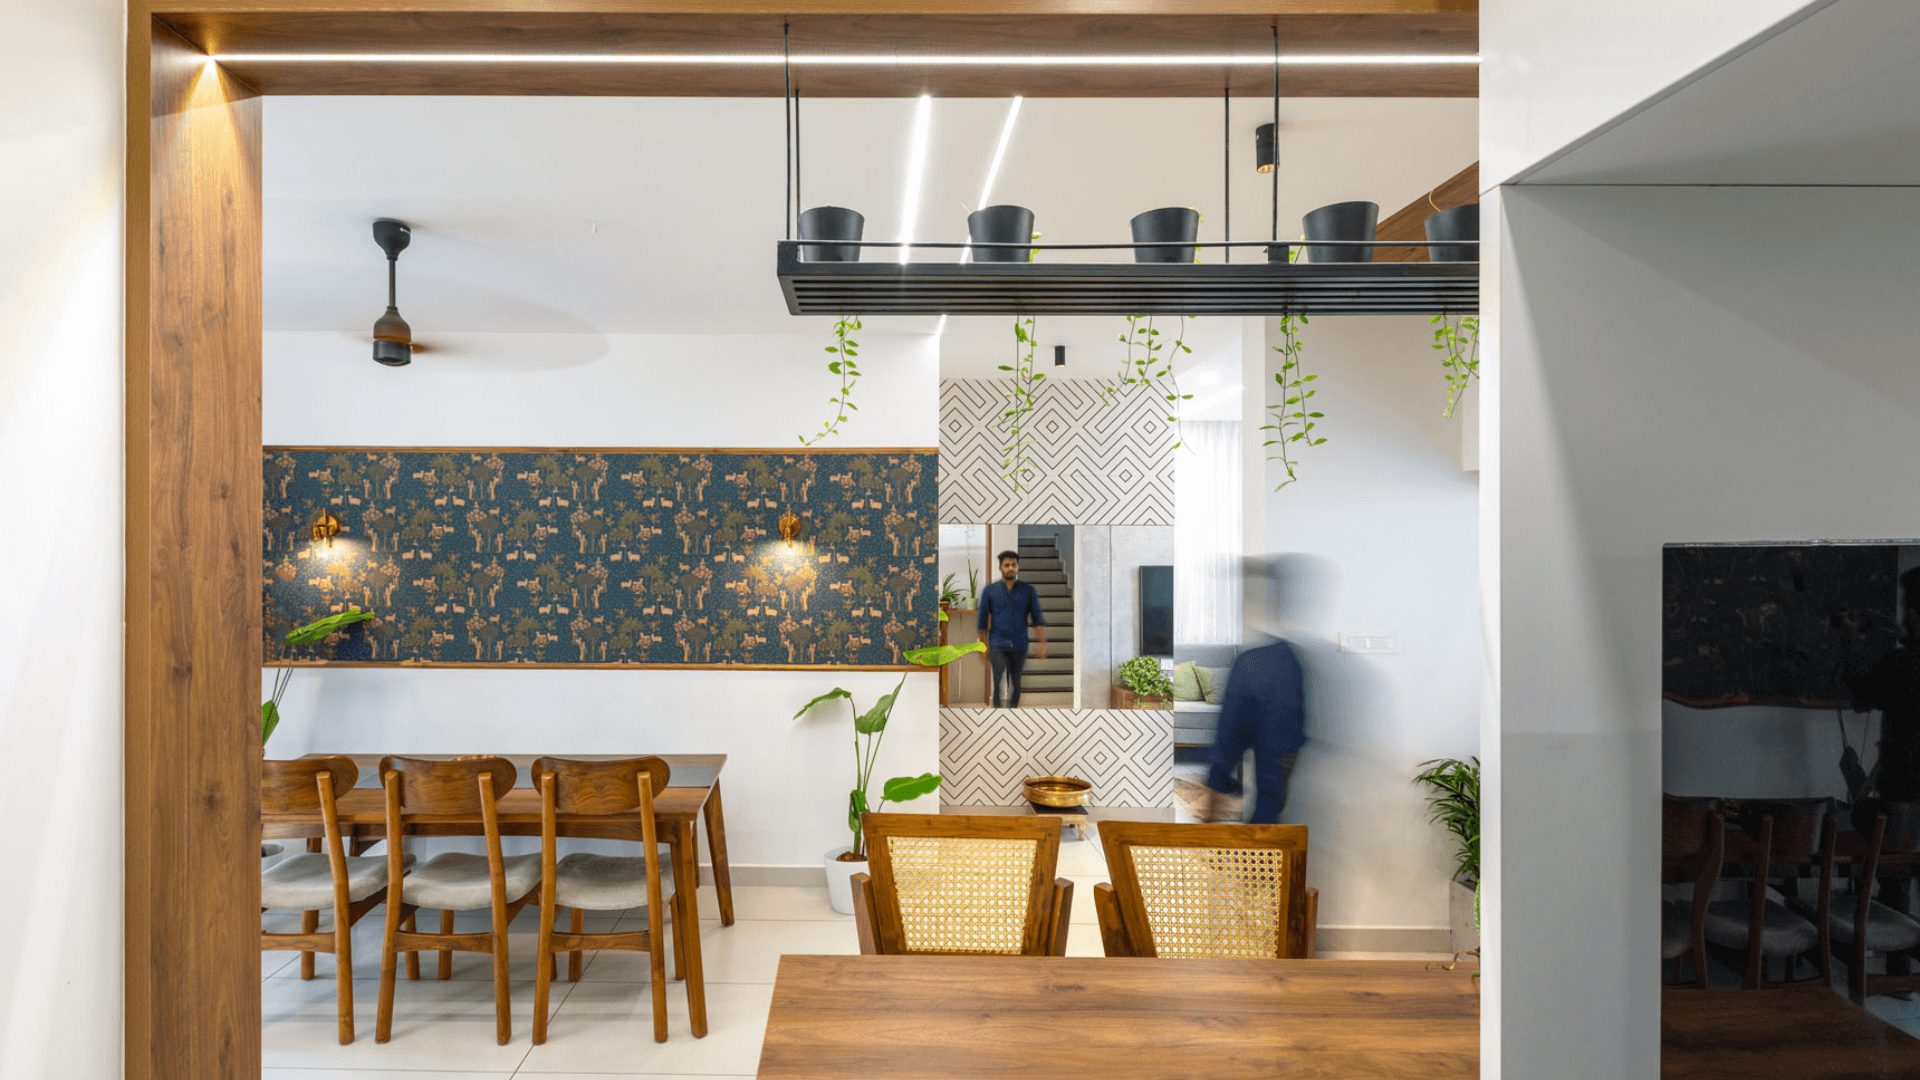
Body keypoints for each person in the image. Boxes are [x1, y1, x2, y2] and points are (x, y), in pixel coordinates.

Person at [1853, 566, 1920, 801]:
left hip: (1903, 798)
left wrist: (1852, 645)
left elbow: (1861, 699)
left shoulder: (1900, 664)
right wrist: (1906, 637)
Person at [978, 549, 1048, 708]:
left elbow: (1037, 617)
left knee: (1016, 684)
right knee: (997, 684)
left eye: (1013, 565)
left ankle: (1012, 715)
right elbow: (982, 619)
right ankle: (997, 715)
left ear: (1017, 567)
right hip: (997, 643)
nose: (1010, 568)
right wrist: (981, 646)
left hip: (1019, 644)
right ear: (1000, 567)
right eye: (1006, 565)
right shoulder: (990, 590)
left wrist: (1042, 643)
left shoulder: (1028, 591)